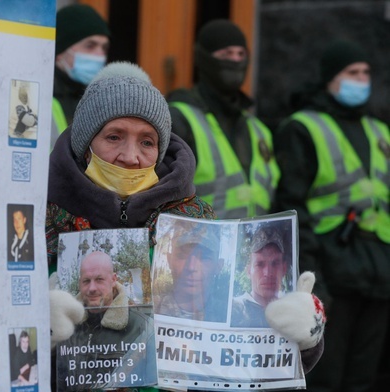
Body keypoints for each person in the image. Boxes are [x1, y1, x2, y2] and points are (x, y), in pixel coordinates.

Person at [46, 61, 324, 390]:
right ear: (84, 145)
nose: (131, 156)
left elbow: (249, 356)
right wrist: (35, 330)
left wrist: (304, 336)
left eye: (147, 142)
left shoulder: (196, 221)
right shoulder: (39, 221)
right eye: (114, 136)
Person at [273, 39, 390, 392]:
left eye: (366, 72)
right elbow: (293, 207)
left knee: (365, 379)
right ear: (330, 78)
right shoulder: (302, 128)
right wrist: (312, 278)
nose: (361, 79)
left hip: (378, 273)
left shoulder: (380, 131)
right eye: (351, 72)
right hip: (332, 273)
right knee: (324, 377)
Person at [167, 19, 279, 219]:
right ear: (204, 58)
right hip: (200, 246)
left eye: (240, 54)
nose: (235, 60)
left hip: (255, 245)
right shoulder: (180, 118)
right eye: (226, 54)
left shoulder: (258, 128)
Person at [56, 251, 156, 389]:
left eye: (99, 279)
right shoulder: (65, 327)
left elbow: (153, 386)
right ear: (79, 282)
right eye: (86, 281)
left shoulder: (142, 327)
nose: (92, 288)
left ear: (114, 279)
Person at [50, 4, 111, 148]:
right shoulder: (40, 95)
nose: (99, 55)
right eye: (90, 46)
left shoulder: (103, 99)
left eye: (104, 47)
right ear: (60, 52)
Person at [154, 223, 229, 322]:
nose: (191, 267)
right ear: (169, 260)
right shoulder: (152, 309)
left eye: (204, 257)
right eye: (182, 256)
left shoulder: (233, 315)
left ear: (219, 266)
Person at [231, 227, 289, 328]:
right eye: (260, 264)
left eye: (275, 263)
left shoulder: (293, 311)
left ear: (284, 269)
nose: (268, 273)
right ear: (248, 271)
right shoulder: (233, 309)